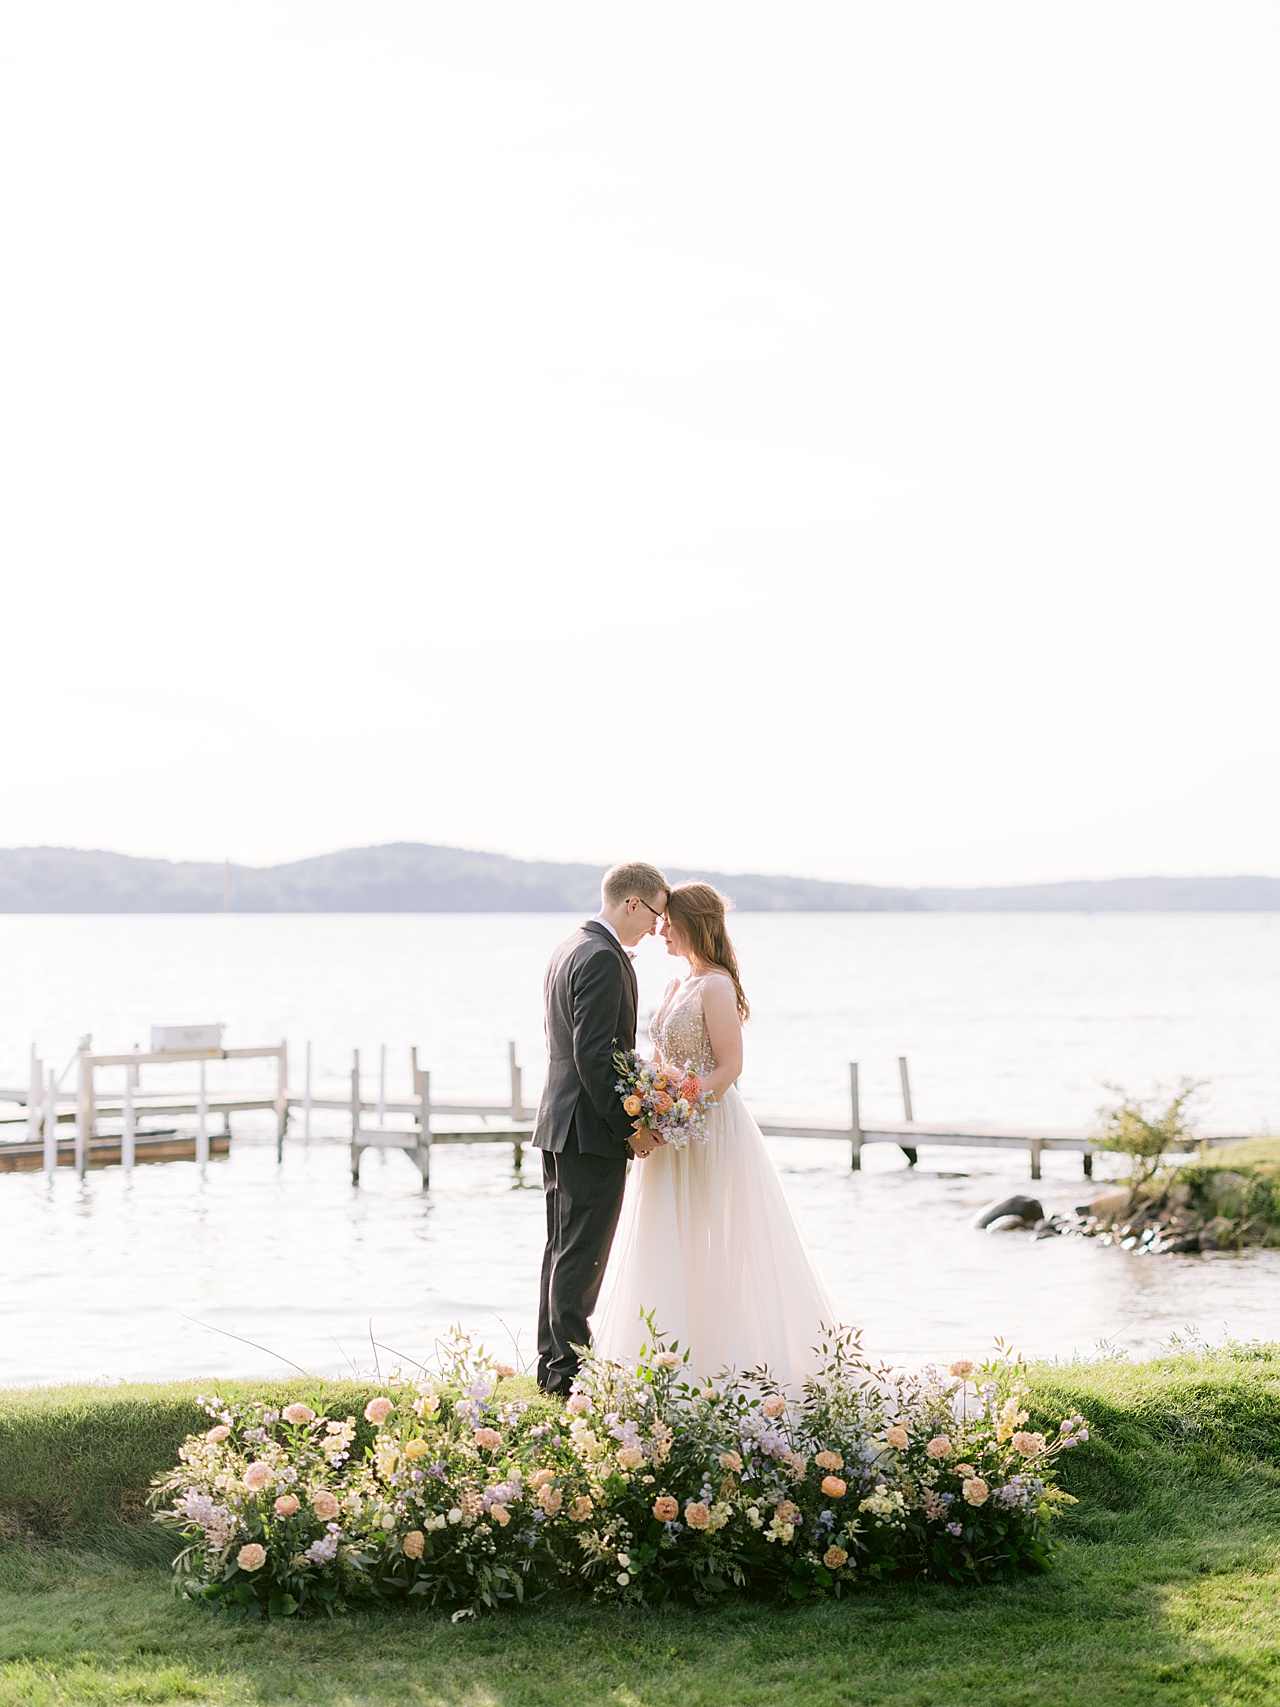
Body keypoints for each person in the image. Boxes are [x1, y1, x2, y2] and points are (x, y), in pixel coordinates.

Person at [593, 880, 836, 1389]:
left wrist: (680, 1111)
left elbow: (728, 1067)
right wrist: (649, 1110)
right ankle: (665, 1364)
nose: (660, 931)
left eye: (668, 923)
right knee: (667, 1237)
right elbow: (659, 1060)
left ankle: (727, 1366)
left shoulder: (716, 986)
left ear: (692, 925)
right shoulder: (674, 985)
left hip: (708, 1128)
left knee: (714, 1237)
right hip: (670, 1130)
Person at [532, 859, 670, 1395]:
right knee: (582, 1255)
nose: (656, 929)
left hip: (561, 1120)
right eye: (655, 915)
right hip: (587, 1129)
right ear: (632, 903)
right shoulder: (603, 958)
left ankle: (552, 1367)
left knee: (562, 1248)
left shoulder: (571, 945)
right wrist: (628, 1127)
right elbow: (595, 1055)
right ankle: (566, 1378)